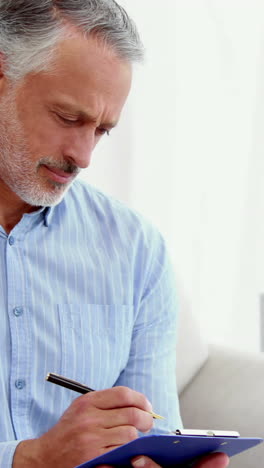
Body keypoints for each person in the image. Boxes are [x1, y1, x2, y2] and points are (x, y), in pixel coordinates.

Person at [0, 1, 229, 467]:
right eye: (68, 118)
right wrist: (32, 459)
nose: (83, 157)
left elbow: (153, 429)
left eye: (102, 130)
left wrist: (161, 460)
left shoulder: (136, 250)